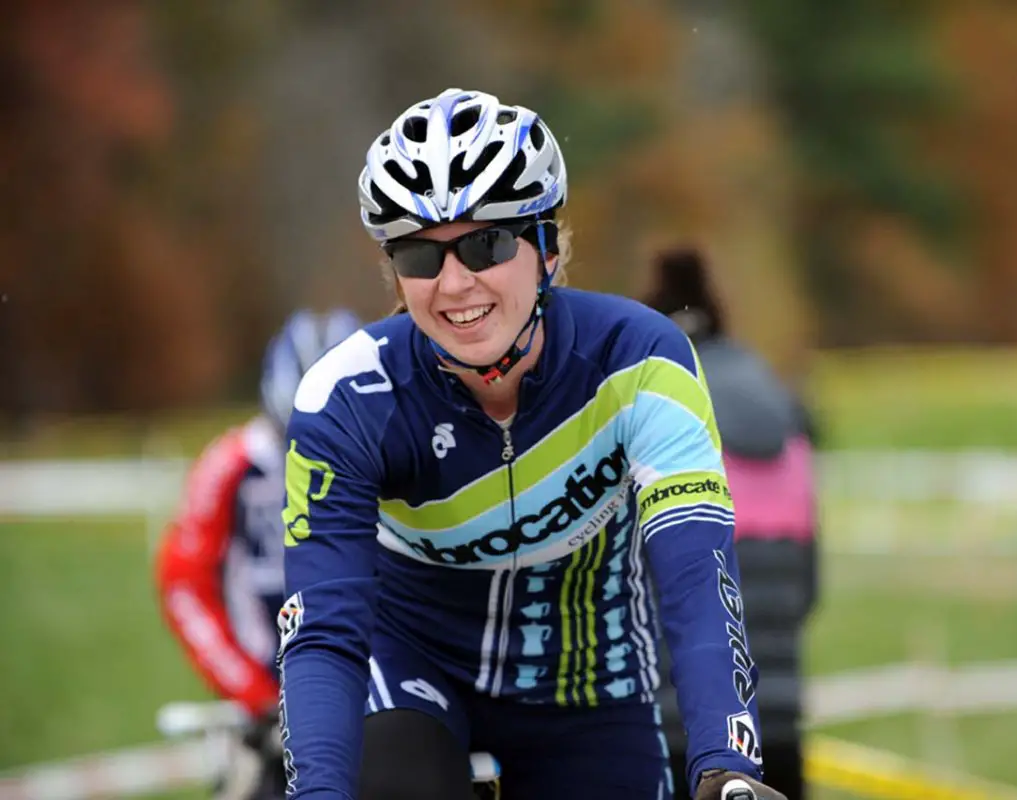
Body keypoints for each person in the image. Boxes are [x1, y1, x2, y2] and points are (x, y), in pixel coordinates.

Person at [276, 88, 790, 800]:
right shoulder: (348, 396)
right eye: (420, 255)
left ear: (547, 249)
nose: (454, 284)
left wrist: (726, 762)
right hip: (408, 670)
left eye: (486, 243)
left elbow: (695, 575)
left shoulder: (640, 362)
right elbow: (322, 631)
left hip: (586, 687)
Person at [155, 308, 362, 800]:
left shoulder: (397, 454)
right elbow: (183, 583)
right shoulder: (229, 468)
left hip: (372, 693)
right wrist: (250, 689)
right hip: (264, 702)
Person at [644, 247, 820, 800]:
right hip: (780, 695)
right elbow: (812, 580)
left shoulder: (660, 405)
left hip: (684, 710)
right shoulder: (780, 401)